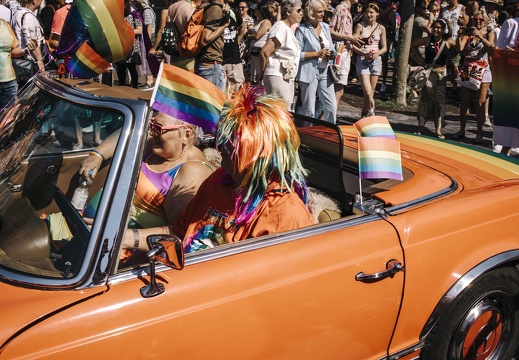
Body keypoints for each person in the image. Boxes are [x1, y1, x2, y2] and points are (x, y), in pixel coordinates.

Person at [173, 84, 315, 253]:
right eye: (222, 147)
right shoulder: (218, 181)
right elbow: (179, 234)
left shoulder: (286, 214)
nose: (222, 159)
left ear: (259, 158)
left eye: (231, 152)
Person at [452, 10, 494, 144]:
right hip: (469, 69)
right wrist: (460, 35)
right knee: (465, 101)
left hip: (483, 69)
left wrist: (481, 37)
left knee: (480, 102)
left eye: (481, 20)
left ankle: (479, 133)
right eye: (476, 19)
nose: (478, 22)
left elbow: (492, 48)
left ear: (485, 21)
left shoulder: (489, 33)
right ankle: (461, 130)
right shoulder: (468, 33)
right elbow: (459, 48)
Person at [411, 19, 455, 138]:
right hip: (428, 73)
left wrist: (450, 58)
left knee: (439, 102)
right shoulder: (427, 40)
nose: (436, 29)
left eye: (439, 27)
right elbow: (414, 45)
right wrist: (420, 60)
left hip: (441, 74)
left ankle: (438, 129)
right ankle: (421, 126)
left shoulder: (449, 42)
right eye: (434, 27)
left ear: (444, 29)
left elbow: (459, 49)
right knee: (425, 100)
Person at [295, 0, 336, 123]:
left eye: (323, 11)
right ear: (311, 13)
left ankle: (330, 134)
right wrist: (316, 54)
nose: (323, 14)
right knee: (309, 108)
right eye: (320, 11)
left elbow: (332, 48)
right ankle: (307, 136)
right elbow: (297, 54)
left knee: (331, 106)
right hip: (308, 72)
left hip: (325, 71)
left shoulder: (325, 27)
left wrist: (332, 54)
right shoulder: (302, 29)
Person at [258, 0, 303, 110]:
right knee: (279, 113)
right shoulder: (280, 27)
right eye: (298, 10)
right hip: (277, 75)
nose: (301, 13)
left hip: (285, 76)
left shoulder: (287, 28)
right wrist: (262, 73)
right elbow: (264, 52)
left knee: (284, 112)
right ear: (288, 12)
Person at [351, 2, 386, 118]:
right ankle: (372, 114)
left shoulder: (381, 28)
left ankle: (363, 116)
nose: (368, 15)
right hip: (363, 59)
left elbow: (384, 47)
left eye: (371, 12)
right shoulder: (360, 26)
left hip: (375, 60)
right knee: (368, 92)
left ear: (377, 14)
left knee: (370, 92)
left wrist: (377, 53)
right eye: (367, 12)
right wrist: (363, 53)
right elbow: (353, 45)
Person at [329, 0, 362, 109]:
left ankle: (329, 119)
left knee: (338, 90)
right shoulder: (341, 9)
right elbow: (330, 30)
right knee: (337, 90)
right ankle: (327, 120)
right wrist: (349, 38)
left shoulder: (347, 10)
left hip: (344, 51)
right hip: (340, 52)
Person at [195, 0, 231, 92]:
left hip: (210, 65)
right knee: (215, 105)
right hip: (211, 66)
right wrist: (224, 25)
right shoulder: (215, 9)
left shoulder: (213, 8)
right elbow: (205, 39)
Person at [0, 19, 37, 109]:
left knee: (7, 117)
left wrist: (27, 49)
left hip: (9, 82)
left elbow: (12, 51)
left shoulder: (5, 25)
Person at [11, 0, 45, 84]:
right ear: (34, 1)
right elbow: (32, 43)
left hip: (20, 60)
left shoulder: (16, 13)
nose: (41, 1)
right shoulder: (28, 16)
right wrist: (40, 62)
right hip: (29, 62)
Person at [116, 0, 142, 88]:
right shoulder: (118, 16)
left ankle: (135, 88)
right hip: (120, 46)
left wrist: (127, 32)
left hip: (132, 47)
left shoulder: (134, 15)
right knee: (120, 69)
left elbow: (139, 30)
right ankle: (121, 88)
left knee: (132, 68)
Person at [222, 0, 245, 96]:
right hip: (220, 62)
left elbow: (242, 26)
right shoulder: (214, 11)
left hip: (235, 62)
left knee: (238, 96)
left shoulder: (233, 13)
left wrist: (238, 41)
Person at [248, 4, 272, 83]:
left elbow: (258, 36)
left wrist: (249, 35)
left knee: (259, 76)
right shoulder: (257, 21)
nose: (254, 10)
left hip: (260, 52)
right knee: (253, 76)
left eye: (256, 9)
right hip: (253, 52)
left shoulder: (266, 22)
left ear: (260, 11)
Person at [375, 0, 395, 93]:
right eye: (380, 3)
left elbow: (393, 27)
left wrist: (384, 26)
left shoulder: (391, 13)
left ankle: (383, 82)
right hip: (375, 38)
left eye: (383, 3)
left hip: (386, 39)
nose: (381, 4)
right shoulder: (377, 12)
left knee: (384, 61)